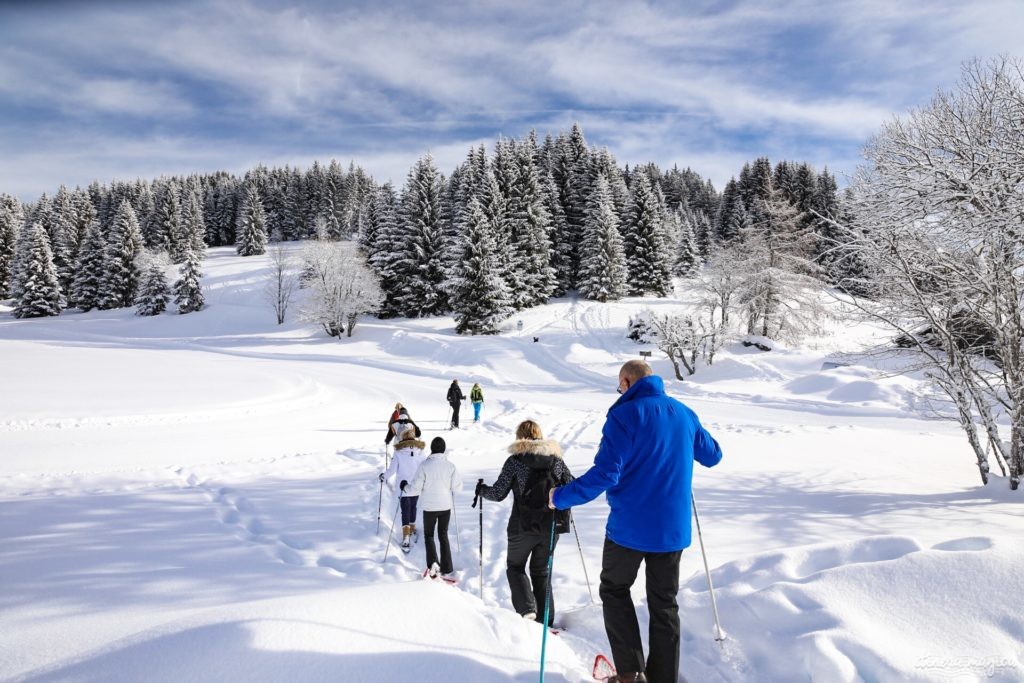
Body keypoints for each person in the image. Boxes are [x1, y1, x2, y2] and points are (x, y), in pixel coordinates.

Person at [550, 360, 722, 683]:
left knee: (614, 590)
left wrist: (559, 497)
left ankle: (630, 674)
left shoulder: (623, 416)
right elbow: (713, 455)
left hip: (627, 531)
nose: (619, 392)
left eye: (619, 386)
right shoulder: (683, 413)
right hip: (672, 531)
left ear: (627, 382)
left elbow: (605, 474)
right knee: (664, 604)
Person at [476, 420, 573, 625]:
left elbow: (498, 493)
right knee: (541, 572)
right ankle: (547, 620)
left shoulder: (515, 461)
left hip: (522, 526)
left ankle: (527, 609)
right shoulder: (556, 461)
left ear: (519, 436)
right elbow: (572, 487)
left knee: (515, 566)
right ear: (540, 435)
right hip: (550, 527)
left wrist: (482, 490)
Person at [406, 436, 462, 579]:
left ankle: (433, 565)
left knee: (429, 535)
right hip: (445, 507)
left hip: (430, 507)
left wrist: (404, 487)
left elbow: (415, 488)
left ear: (432, 449)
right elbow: (458, 487)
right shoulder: (450, 466)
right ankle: (447, 567)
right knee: (443, 534)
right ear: (443, 450)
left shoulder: (424, 465)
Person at [381, 427, 427, 550]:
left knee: (405, 510)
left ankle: (406, 537)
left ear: (402, 438)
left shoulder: (399, 452)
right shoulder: (420, 452)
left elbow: (392, 470)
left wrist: (383, 476)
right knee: (413, 507)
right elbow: (425, 468)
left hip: (403, 487)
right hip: (416, 486)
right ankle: (412, 529)